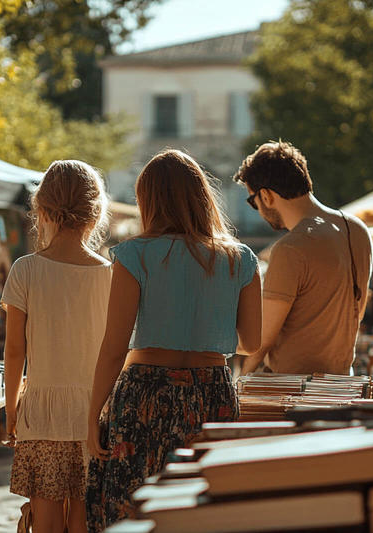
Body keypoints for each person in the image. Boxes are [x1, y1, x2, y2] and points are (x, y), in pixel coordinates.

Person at [85, 149, 262, 532]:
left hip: (143, 393)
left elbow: (115, 346)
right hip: (211, 392)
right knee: (203, 509)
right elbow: (251, 342)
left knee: (135, 508)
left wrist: (91, 413)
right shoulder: (240, 259)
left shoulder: (134, 255)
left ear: (148, 200)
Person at [1, 160, 112, 533]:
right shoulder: (111, 274)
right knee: (84, 516)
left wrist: (11, 407)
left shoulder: (25, 270)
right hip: (93, 413)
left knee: (45, 520)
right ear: (95, 214)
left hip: (42, 411)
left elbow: (15, 350)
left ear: (42, 210)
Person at [234, 141, 373, 376]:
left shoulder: (290, 248)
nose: (256, 208)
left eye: (252, 200)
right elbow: (357, 312)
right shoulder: (358, 230)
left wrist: (239, 382)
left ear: (266, 195)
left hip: (293, 391)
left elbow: (261, 340)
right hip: (341, 384)